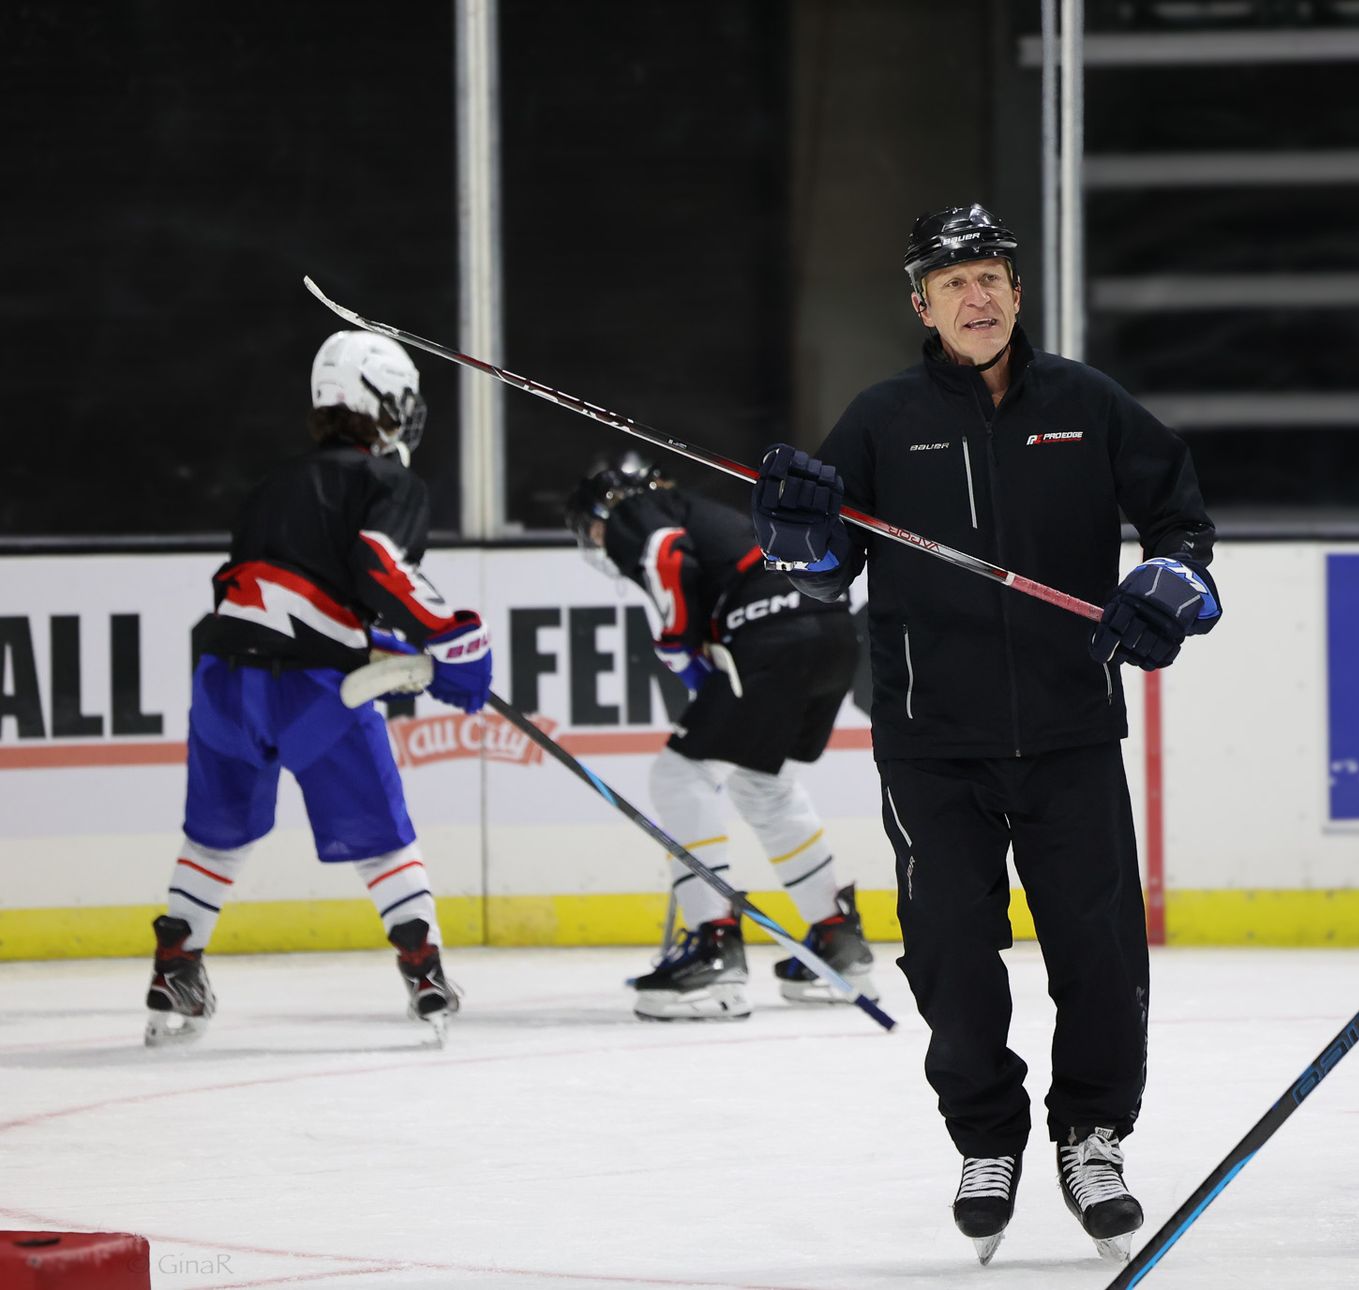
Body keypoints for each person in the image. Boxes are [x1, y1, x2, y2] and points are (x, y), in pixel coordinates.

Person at [750, 203, 1221, 1264]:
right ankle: (986, 1139)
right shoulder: (880, 420)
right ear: (922, 303)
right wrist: (796, 538)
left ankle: (1093, 1134)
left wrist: (1172, 583)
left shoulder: (1086, 405)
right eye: (955, 280)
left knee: (1099, 957)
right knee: (953, 961)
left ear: (1017, 291)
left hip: (1068, 732)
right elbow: (825, 567)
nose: (978, 296)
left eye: (994, 276)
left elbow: (1182, 520)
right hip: (931, 743)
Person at [144, 330, 492, 1047]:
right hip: (314, 695)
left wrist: (371, 639)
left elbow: (290, 588)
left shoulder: (270, 482)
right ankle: (424, 972)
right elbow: (380, 565)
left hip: (222, 684)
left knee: (215, 836)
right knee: (380, 838)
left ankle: (174, 966)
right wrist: (456, 639)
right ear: (380, 400)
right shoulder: (387, 481)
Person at [564, 455, 871, 1020]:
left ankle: (714, 948)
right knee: (764, 784)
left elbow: (663, 557)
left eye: (592, 526)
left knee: (679, 775)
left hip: (774, 633)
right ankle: (839, 942)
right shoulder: (699, 510)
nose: (598, 539)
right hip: (831, 634)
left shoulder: (636, 510)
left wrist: (676, 647)